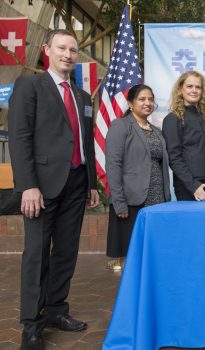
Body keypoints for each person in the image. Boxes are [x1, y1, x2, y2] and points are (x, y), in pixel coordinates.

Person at [8, 29, 99, 350]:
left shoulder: (83, 97)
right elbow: (19, 138)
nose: (68, 54)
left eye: (73, 50)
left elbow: (85, 142)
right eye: (62, 47)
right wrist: (27, 186)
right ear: (47, 49)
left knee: (66, 252)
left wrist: (91, 183)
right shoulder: (30, 86)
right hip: (41, 187)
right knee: (37, 254)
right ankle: (31, 324)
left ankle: (56, 309)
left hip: (76, 183)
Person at [105, 84, 171, 270]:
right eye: (142, 99)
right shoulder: (121, 125)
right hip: (131, 201)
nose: (147, 103)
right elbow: (113, 164)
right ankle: (131, 295)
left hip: (157, 200)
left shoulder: (156, 131)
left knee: (153, 251)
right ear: (130, 103)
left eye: (150, 99)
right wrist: (119, 202)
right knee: (131, 254)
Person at [162, 71, 205, 201]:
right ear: (181, 89)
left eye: (198, 87)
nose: (194, 90)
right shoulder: (172, 119)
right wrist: (194, 186)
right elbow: (173, 157)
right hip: (189, 186)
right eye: (189, 86)